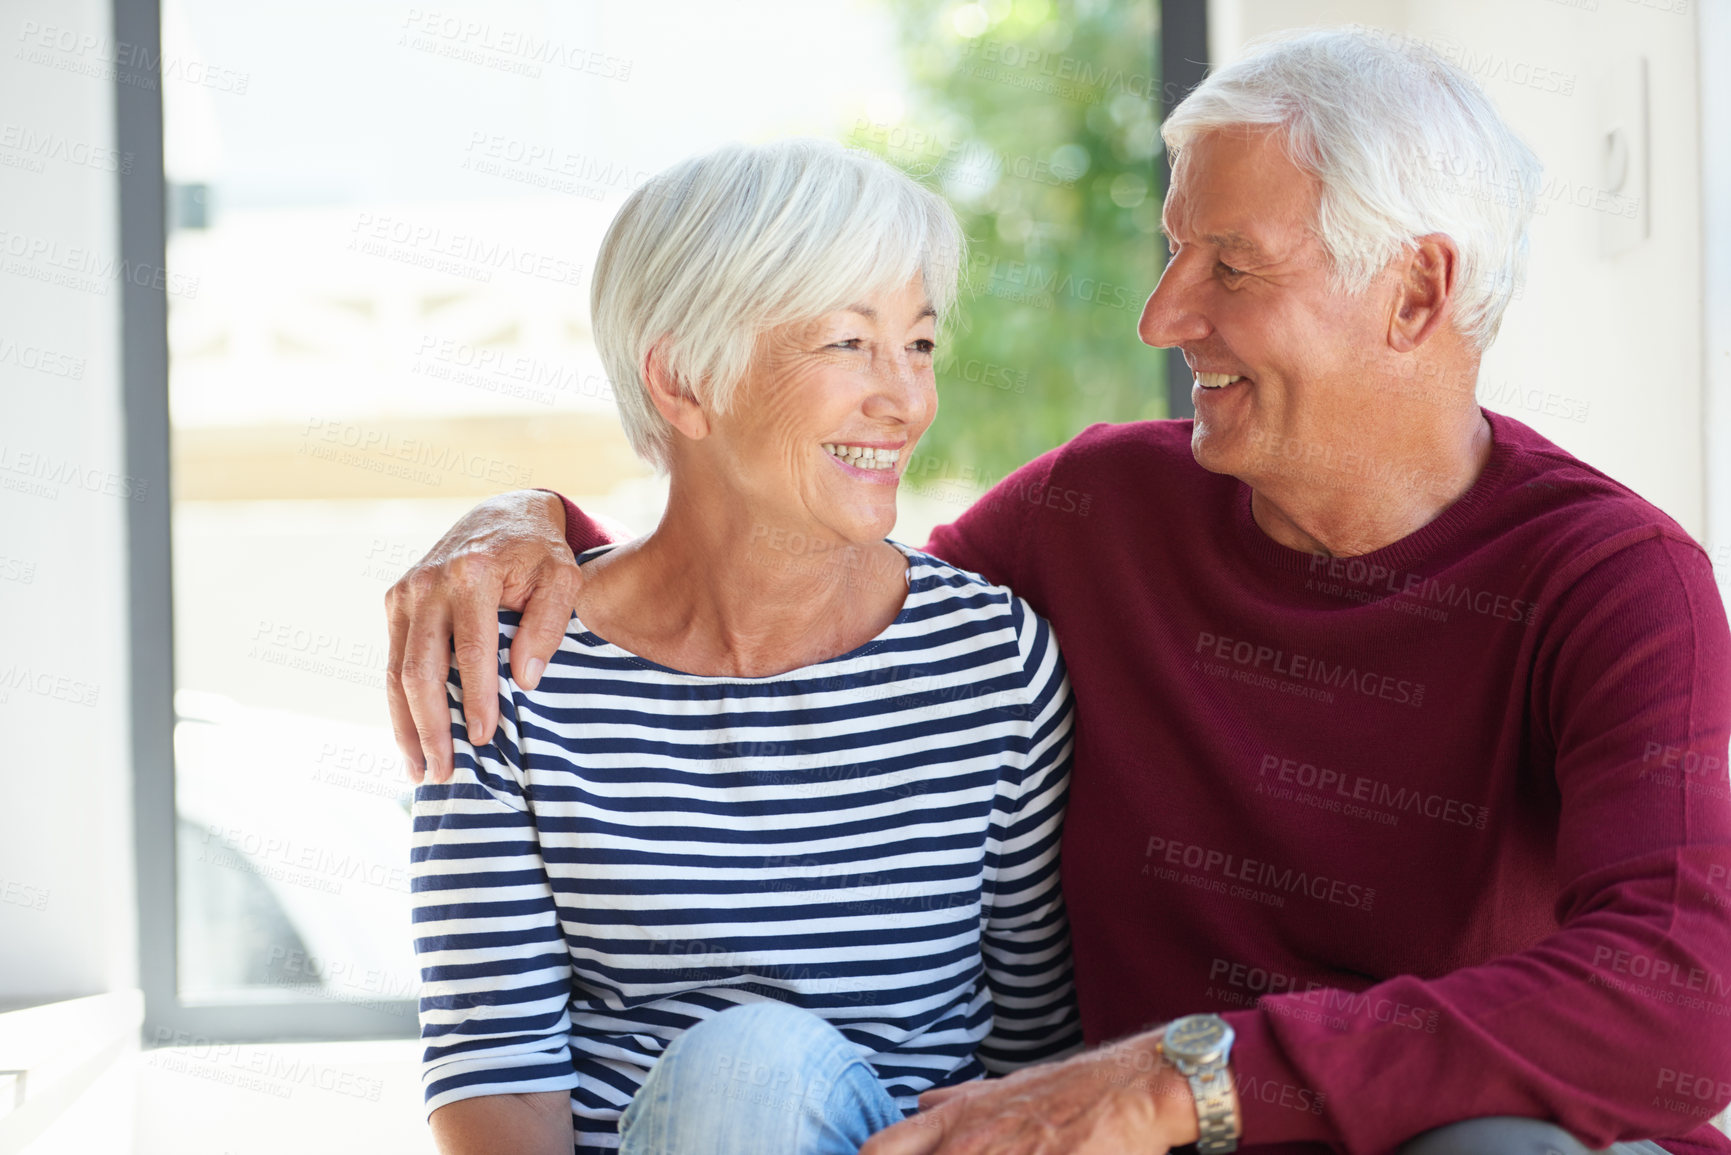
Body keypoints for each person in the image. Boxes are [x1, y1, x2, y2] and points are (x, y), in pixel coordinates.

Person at [388, 28, 1731, 1155]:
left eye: (1228, 266)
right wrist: (535, 529)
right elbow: (805, 584)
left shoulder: (1613, 585)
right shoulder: (1098, 512)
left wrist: (1180, 1075)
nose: (1159, 316)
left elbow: (1681, 995)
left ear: (1413, 291)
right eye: (1169, 249)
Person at [408, 139, 1081, 1155]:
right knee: (744, 1077)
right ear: (682, 380)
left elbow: (1035, 1054)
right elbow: (493, 1071)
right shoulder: (509, 675)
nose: (906, 399)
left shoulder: (992, 665)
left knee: (753, 1073)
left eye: (921, 345)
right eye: (848, 344)